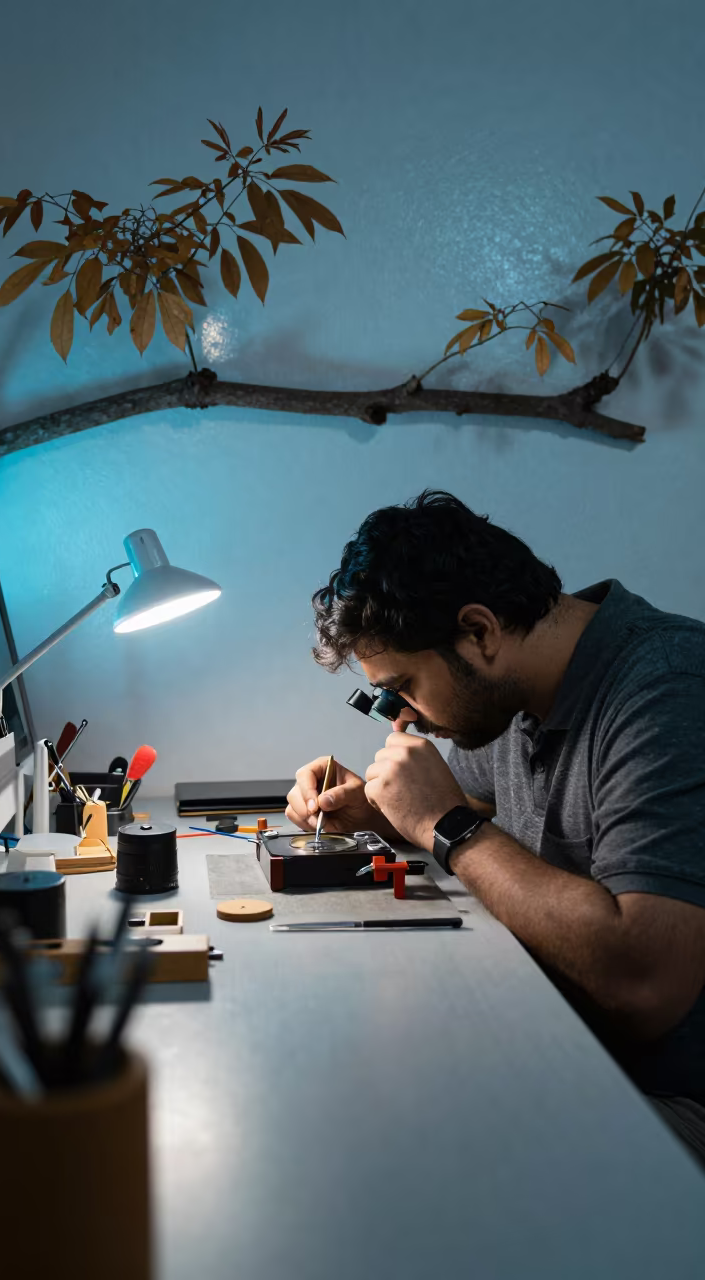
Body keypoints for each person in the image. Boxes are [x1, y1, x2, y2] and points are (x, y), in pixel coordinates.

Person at [287, 490, 705, 1170]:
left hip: (670, 1098)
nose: (408, 718)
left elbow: (646, 982)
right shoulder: (504, 698)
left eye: (405, 687)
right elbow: (482, 819)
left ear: (479, 631)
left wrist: (442, 823)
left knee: (384, 1148)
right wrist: (382, 814)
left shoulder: (669, 689)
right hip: (565, 1045)